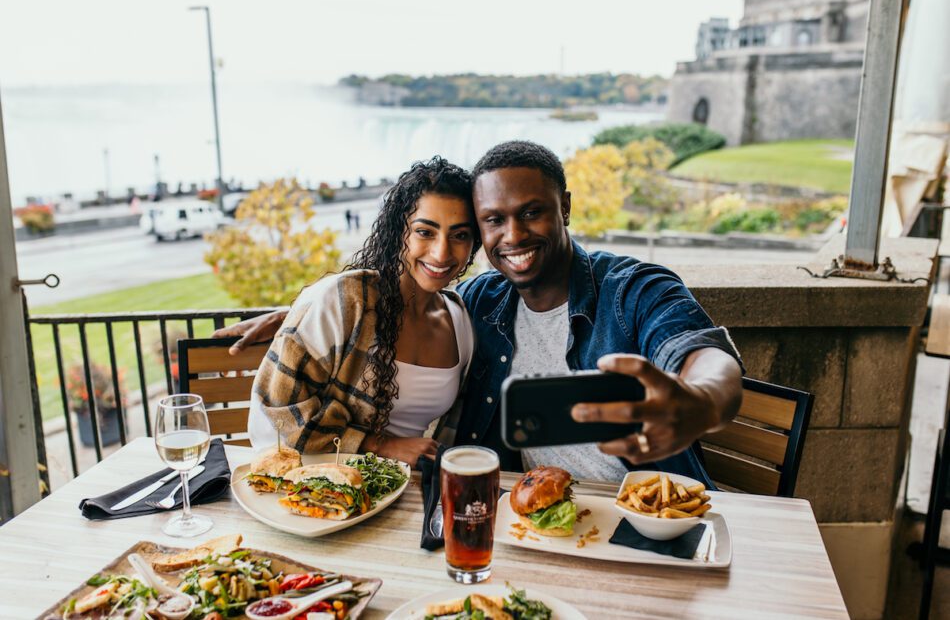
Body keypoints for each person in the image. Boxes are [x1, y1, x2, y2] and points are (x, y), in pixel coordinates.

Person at [217, 141, 742, 483]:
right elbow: (397, 298)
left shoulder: (632, 290)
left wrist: (697, 402)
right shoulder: (485, 301)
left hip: (647, 514)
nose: (512, 236)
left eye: (531, 213)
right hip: (522, 513)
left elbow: (702, 354)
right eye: (492, 220)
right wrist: (299, 312)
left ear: (565, 208)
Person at [245, 156, 480, 466]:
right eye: (425, 232)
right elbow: (276, 411)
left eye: (460, 235)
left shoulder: (459, 320)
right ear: (399, 231)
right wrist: (380, 445)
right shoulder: (347, 301)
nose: (442, 252)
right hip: (321, 487)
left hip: (410, 492)